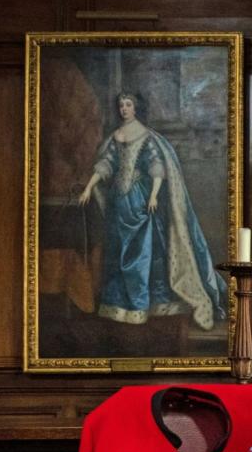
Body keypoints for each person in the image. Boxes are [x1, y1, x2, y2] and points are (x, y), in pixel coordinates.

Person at [78, 92, 227, 331]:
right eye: (121, 105)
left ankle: (145, 305)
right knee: (117, 253)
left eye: (128, 105)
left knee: (144, 253)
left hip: (140, 201)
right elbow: (106, 164)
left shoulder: (146, 136)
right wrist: (88, 188)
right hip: (119, 204)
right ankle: (120, 306)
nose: (124, 109)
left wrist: (154, 195)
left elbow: (156, 166)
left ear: (136, 108)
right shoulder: (115, 137)